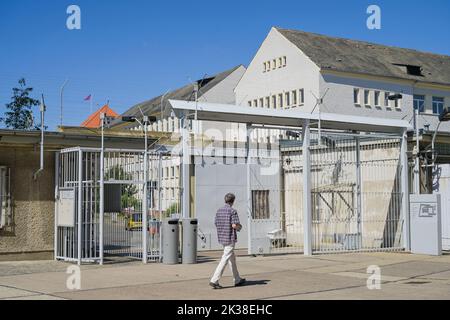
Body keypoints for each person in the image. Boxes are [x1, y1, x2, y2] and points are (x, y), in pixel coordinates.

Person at [209, 193, 246, 289]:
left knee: (231, 259)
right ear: (233, 201)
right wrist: (240, 227)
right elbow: (235, 225)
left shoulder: (219, 210)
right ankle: (214, 280)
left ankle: (237, 279)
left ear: (225, 200)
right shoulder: (232, 211)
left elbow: (216, 223)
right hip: (230, 238)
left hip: (222, 237)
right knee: (225, 258)